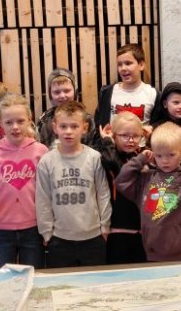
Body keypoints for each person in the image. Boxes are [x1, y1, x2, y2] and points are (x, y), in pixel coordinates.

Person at [116, 122, 181, 262]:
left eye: (171, 155)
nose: (165, 161)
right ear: (153, 154)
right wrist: (140, 160)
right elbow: (121, 181)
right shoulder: (145, 180)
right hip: (153, 255)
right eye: (159, 156)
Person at [36, 101, 112, 267]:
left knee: (94, 280)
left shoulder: (94, 158)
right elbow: (43, 198)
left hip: (93, 237)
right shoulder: (46, 161)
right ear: (55, 127)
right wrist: (46, 231)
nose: (68, 131)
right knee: (62, 282)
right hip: (59, 238)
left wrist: (105, 226)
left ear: (84, 128)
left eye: (74, 126)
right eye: (63, 126)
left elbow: (103, 193)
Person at [0, 94, 48, 270]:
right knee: (2, 280)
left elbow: (48, 194)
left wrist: (48, 228)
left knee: (34, 276)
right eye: (9, 122)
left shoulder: (41, 152)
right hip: (1, 231)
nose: (15, 127)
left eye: (20, 121)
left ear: (29, 120)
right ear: (0, 122)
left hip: (34, 229)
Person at [93, 111, 147, 264]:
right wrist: (107, 141)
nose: (131, 140)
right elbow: (116, 165)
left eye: (136, 136)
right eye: (125, 136)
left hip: (138, 228)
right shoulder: (109, 155)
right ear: (114, 135)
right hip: (116, 228)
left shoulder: (139, 156)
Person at [94, 44, 158, 128]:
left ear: (141, 65)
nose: (123, 68)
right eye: (119, 64)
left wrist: (152, 129)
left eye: (128, 63)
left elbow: (160, 124)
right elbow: (98, 123)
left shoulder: (153, 94)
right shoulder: (107, 93)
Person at [36, 68, 98, 148]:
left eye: (67, 91)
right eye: (57, 92)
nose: (62, 96)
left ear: (75, 91)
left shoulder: (88, 120)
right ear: (50, 94)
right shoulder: (44, 120)